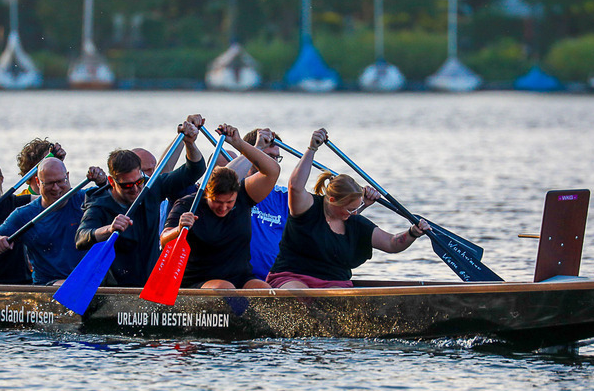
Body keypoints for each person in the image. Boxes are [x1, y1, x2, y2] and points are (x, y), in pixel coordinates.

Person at [266, 128, 430, 289]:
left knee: (337, 297)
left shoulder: (355, 223)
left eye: (357, 207)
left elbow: (392, 243)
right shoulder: (307, 208)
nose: (354, 213)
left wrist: (413, 233)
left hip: (334, 285)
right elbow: (295, 187)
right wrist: (312, 149)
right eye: (350, 209)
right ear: (331, 200)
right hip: (292, 278)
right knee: (298, 292)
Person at [76, 119, 206, 287]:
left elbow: (195, 170)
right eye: (127, 186)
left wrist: (190, 144)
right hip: (114, 288)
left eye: (138, 182)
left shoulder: (151, 188)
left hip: (150, 282)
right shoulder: (99, 204)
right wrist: (109, 229)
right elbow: (81, 238)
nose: (136, 190)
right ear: (111, 181)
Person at [161, 124, 280, 289]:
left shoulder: (245, 196)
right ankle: (241, 312)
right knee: (225, 289)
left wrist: (239, 143)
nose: (223, 208)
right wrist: (179, 228)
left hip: (241, 277)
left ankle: (246, 312)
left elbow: (273, 171)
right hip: (200, 280)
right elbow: (164, 240)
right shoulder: (188, 204)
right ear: (207, 193)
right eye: (217, 201)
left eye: (229, 203)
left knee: (264, 290)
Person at [0, 158, 105, 285]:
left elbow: (116, 195)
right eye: (49, 183)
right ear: (38, 182)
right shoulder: (24, 215)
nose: (56, 188)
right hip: (48, 286)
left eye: (60, 181)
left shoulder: (86, 199)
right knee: (65, 285)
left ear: (67, 177)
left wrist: (103, 181)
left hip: (89, 282)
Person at [240, 128, 288, 280]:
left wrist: (357, 204)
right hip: (237, 279)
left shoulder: (285, 197)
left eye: (276, 158)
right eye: (268, 157)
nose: (273, 163)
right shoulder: (230, 192)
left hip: (276, 281)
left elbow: (326, 216)